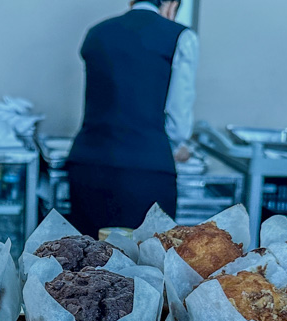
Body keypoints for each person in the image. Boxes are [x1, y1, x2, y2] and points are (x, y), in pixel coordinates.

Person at [67, 0, 199, 237]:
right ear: (171, 4)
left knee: (86, 261)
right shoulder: (180, 36)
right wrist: (178, 146)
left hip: (88, 165)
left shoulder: (96, 32)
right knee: (146, 264)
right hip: (146, 170)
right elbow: (179, 120)